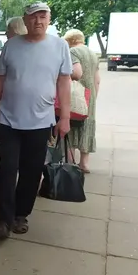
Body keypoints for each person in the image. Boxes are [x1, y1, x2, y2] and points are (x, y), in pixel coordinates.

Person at [0, 2, 72, 239]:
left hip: (41, 122)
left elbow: (64, 83)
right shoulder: (12, 45)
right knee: (8, 170)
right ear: (25, 19)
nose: (38, 21)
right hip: (9, 121)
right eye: (33, 17)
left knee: (31, 172)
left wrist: (65, 117)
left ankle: (21, 215)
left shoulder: (59, 46)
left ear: (49, 19)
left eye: (43, 16)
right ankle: (3, 220)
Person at [63, 29, 100, 173]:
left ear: (70, 40)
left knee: (72, 125)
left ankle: (70, 162)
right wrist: (94, 97)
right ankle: (84, 163)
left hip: (76, 94)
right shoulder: (93, 54)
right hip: (90, 95)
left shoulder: (73, 52)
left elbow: (77, 73)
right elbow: (97, 80)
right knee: (87, 126)